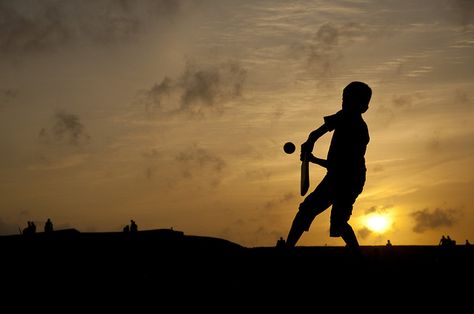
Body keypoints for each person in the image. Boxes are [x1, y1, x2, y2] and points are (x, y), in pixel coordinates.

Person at [284, 81, 372, 256]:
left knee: (336, 222)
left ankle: (358, 255)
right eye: (344, 99)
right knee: (307, 209)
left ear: (363, 107)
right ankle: (287, 249)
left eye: (349, 100)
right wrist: (310, 141)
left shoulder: (359, 130)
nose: (344, 103)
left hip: (350, 180)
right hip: (337, 177)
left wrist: (313, 159)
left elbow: (339, 167)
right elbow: (318, 131)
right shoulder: (342, 116)